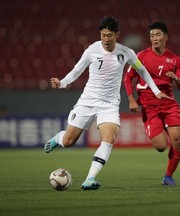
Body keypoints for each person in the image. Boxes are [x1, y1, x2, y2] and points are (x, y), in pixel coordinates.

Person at [44, 16, 171, 190]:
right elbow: (77, 70)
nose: (105, 39)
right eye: (103, 35)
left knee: (109, 138)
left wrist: (156, 91)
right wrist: (62, 83)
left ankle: (89, 179)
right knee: (69, 141)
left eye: (109, 35)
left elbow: (142, 71)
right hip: (88, 100)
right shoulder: (92, 50)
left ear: (117, 35)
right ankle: (59, 138)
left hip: (109, 104)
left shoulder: (127, 52)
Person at [124, 21, 180, 186]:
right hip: (149, 107)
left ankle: (168, 176)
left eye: (158, 35)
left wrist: (176, 78)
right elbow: (127, 77)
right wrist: (131, 99)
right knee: (161, 147)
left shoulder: (175, 59)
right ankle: (157, 128)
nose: (154, 38)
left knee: (177, 140)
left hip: (169, 104)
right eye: (152, 35)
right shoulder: (141, 57)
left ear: (166, 37)